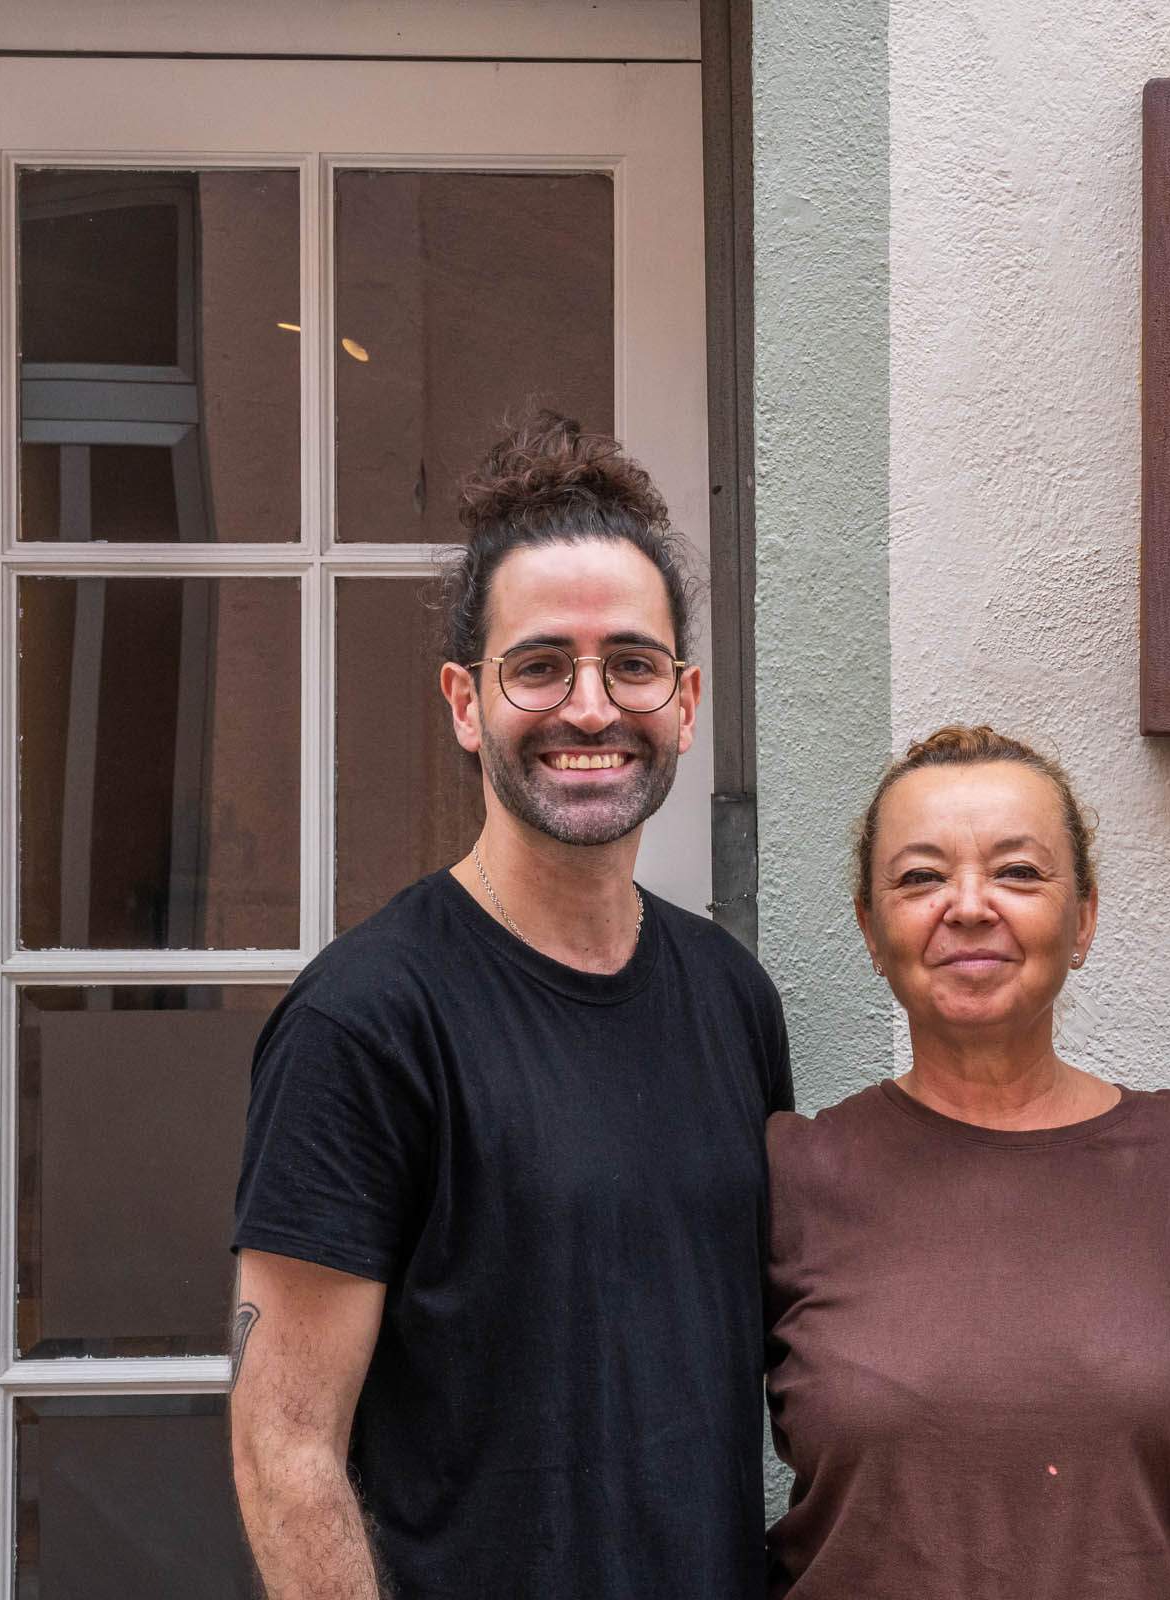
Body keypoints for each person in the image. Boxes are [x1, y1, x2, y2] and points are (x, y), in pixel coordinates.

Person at [227, 415, 791, 1599]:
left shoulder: (732, 997)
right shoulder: (366, 1020)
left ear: (685, 700)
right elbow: (285, 1447)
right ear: (464, 702)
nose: (591, 707)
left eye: (631, 664)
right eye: (540, 665)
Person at [763, 725, 1170, 1599]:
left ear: (1085, 919)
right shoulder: (792, 1174)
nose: (970, 905)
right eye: (920, 877)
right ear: (872, 931)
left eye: (1019, 872)